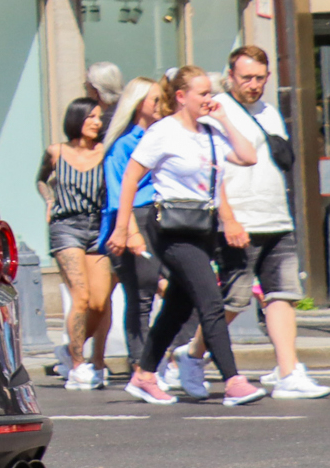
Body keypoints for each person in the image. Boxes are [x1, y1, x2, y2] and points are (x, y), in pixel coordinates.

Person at [112, 65, 264, 407]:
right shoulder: (164, 132)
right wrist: (123, 227)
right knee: (210, 301)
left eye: (210, 92)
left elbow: (248, 156)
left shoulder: (209, 132)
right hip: (172, 230)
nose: (209, 98)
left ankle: (145, 374)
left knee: (177, 308)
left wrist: (224, 119)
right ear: (181, 97)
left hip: (203, 229)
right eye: (203, 93)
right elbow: (131, 177)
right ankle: (233, 380)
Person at [211, 45, 327, 400]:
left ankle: (288, 371)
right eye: (246, 77)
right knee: (233, 300)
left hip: (276, 216)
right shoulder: (216, 110)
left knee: (282, 296)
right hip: (240, 219)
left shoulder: (271, 112)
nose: (253, 84)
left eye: (260, 78)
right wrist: (227, 218)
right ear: (230, 76)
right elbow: (213, 170)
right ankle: (192, 353)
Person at [37, 98, 111, 390]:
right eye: (90, 117)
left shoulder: (106, 152)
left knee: (100, 302)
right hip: (66, 227)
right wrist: (49, 200)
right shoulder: (56, 152)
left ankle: (71, 351)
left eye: (99, 117)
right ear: (77, 119)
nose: (97, 122)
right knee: (79, 296)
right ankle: (79, 365)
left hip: (98, 227)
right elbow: (41, 180)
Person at [96, 76, 168, 372]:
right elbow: (117, 192)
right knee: (141, 294)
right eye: (155, 100)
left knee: (176, 287)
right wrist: (131, 232)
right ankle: (140, 361)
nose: (162, 106)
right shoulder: (123, 144)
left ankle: (172, 352)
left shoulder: (164, 135)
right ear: (139, 105)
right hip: (135, 218)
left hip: (165, 216)